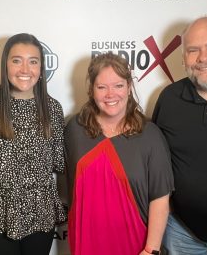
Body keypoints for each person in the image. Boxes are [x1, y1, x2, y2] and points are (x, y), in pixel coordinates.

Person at [0, 33, 66, 255]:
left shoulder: (53, 108)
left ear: (41, 68)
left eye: (33, 61)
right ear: (5, 64)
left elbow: (58, 161)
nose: (25, 69)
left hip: (40, 215)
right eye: (17, 60)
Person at [65, 52, 174, 255]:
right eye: (102, 87)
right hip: (86, 242)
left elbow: (160, 198)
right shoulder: (74, 129)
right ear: (91, 90)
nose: (110, 94)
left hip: (136, 245)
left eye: (118, 85)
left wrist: (151, 250)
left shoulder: (150, 135)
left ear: (129, 87)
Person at [152, 16, 207, 254]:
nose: (203, 58)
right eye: (193, 50)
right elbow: (156, 162)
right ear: (183, 59)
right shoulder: (169, 98)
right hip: (182, 233)